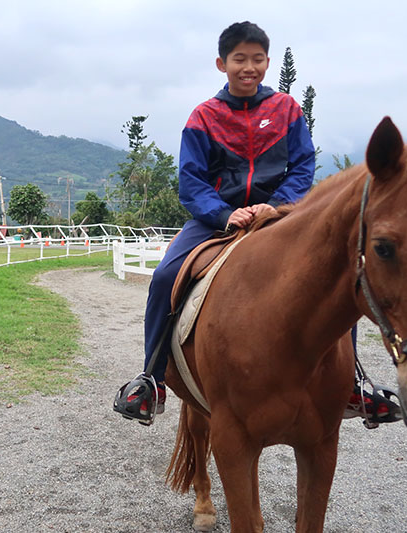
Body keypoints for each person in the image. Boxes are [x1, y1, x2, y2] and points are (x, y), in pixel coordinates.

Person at [114, 21, 315, 424]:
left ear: (268, 62)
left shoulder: (286, 109)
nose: (249, 67)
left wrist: (276, 205)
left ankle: (352, 381)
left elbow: (304, 165)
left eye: (257, 59)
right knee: (165, 277)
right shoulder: (204, 116)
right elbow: (190, 180)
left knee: (331, 269)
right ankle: (151, 380)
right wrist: (225, 213)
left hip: (278, 217)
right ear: (222, 63)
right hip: (215, 220)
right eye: (240, 59)